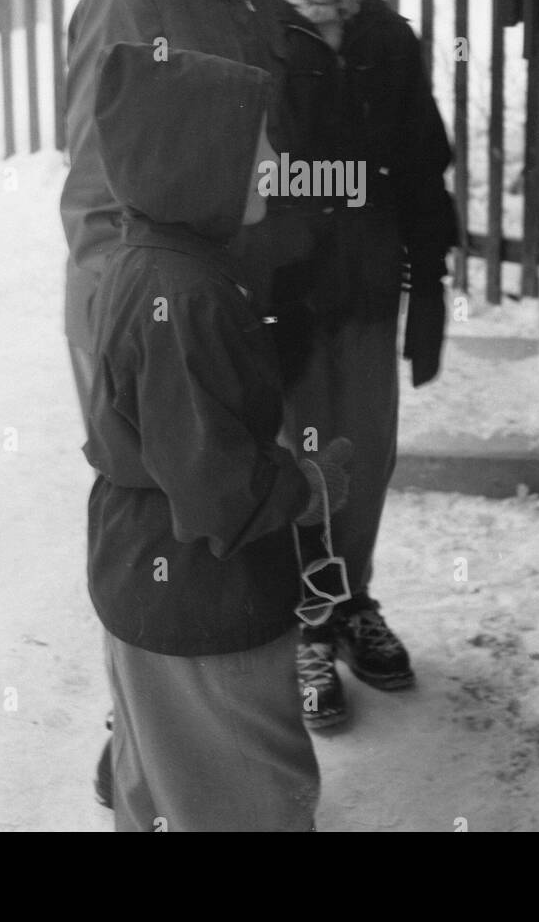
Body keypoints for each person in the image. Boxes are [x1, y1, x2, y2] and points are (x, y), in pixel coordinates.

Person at [59, 0, 287, 802]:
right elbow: (102, 182)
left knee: (185, 522)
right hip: (153, 306)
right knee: (182, 526)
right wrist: (150, 327)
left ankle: (152, 759)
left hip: (207, 292)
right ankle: (171, 751)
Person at [84, 41, 352, 831]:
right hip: (198, 598)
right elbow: (213, 486)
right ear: (189, 166)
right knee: (247, 793)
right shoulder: (185, 299)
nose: (272, 158)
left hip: (143, 573)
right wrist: (306, 488)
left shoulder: (154, 259)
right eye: (251, 143)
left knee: (161, 780)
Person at [249, 0, 459, 731]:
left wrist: (431, 280)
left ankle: (351, 600)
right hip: (285, 300)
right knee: (297, 456)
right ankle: (300, 622)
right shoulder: (253, 39)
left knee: (362, 453)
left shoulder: (388, 42)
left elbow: (420, 167)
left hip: (369, 290)